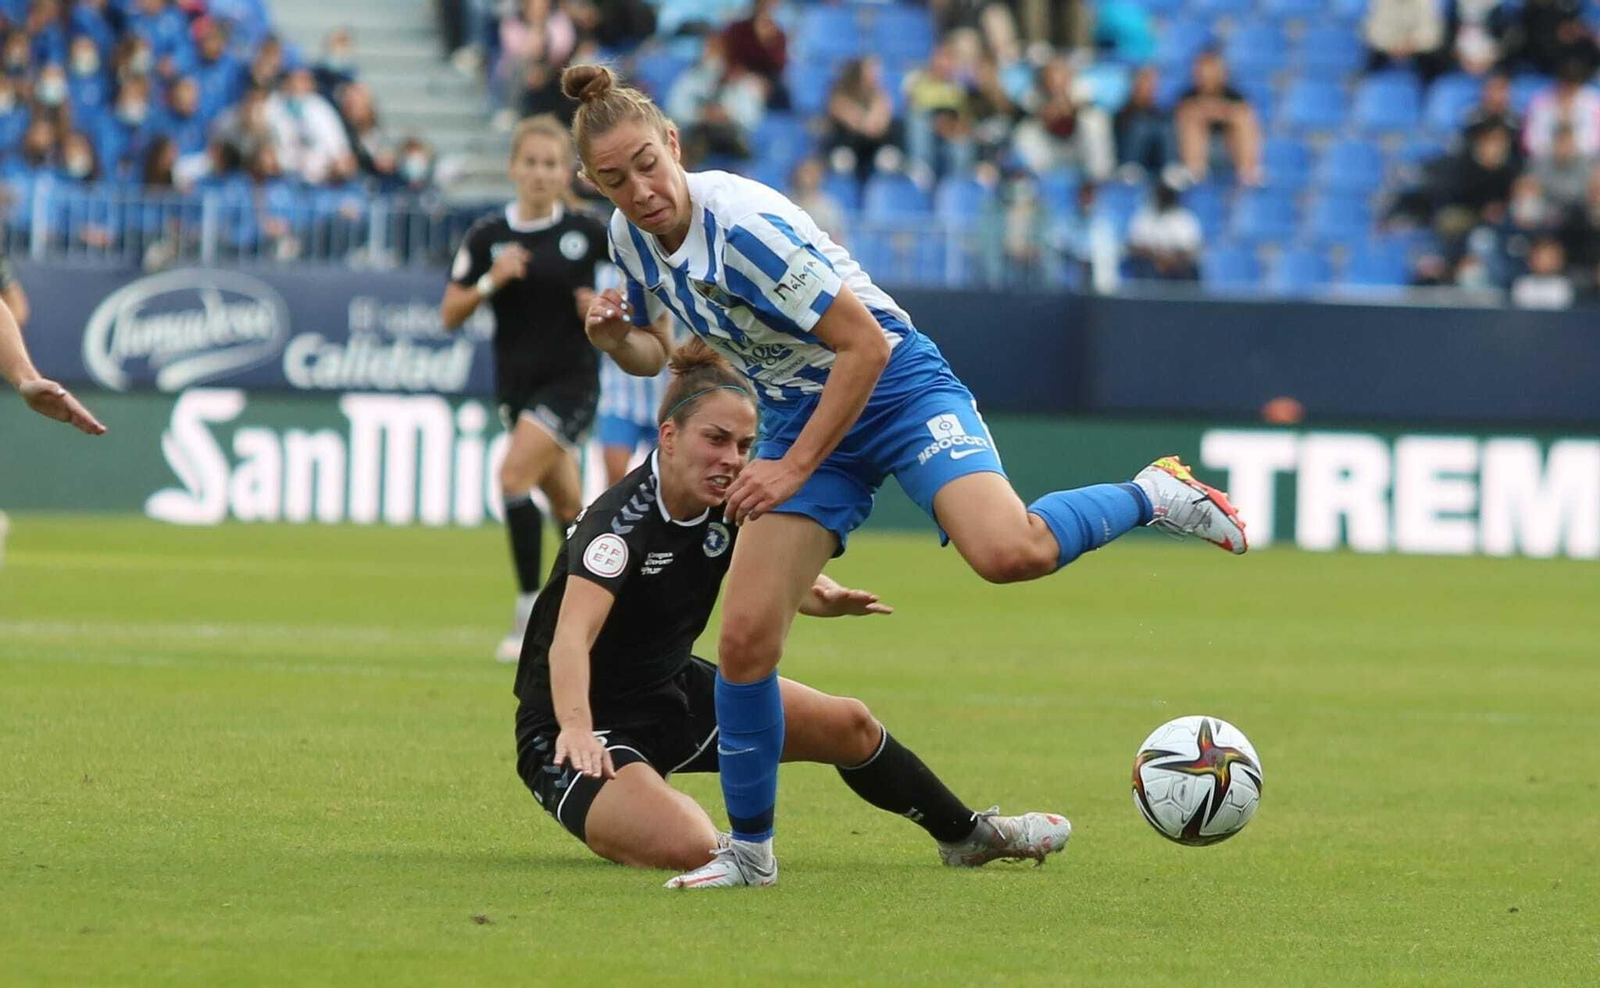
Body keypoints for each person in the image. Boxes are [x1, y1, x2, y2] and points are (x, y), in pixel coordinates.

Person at [562, 64, 1249, 889]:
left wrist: (788, 471)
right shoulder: (629, 239)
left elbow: (866, 347)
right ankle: (749, 854)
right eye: (613, 179)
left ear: (673, 143)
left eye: (646, 163)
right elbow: (660, 353)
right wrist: (614, 341)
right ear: (594, 184)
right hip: (796, 409)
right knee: (744, 643)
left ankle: (1155, 491)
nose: (638, 189)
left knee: (1007, 551)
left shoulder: (743, 230)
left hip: (892, 388)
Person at [514, 339, 1071, 878]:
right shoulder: (616, 527)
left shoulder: (727, 503)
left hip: (671, 693)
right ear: (668, 436)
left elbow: (761, 567)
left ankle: (968, 836)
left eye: (743, 444)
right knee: (690, 843)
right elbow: (570, 639)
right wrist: (577, 728)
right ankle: (658, 809)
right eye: (715, 439)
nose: (731, 460)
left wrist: (818, 592)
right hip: (573, 730)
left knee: (849, 724)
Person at [439, 115, 635, 663]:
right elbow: (450, 313)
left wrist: (605, 308)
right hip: (516, 389)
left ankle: (529, 612)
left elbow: (633, 285)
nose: (541, 173)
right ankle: (608, 610)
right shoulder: (487, 238)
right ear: (513, 168)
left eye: (551, 164)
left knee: (511, 476)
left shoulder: (587, 232)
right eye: (531, 163)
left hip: (572, 384)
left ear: (565, 172)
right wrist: (490, 281)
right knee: (572, 509)